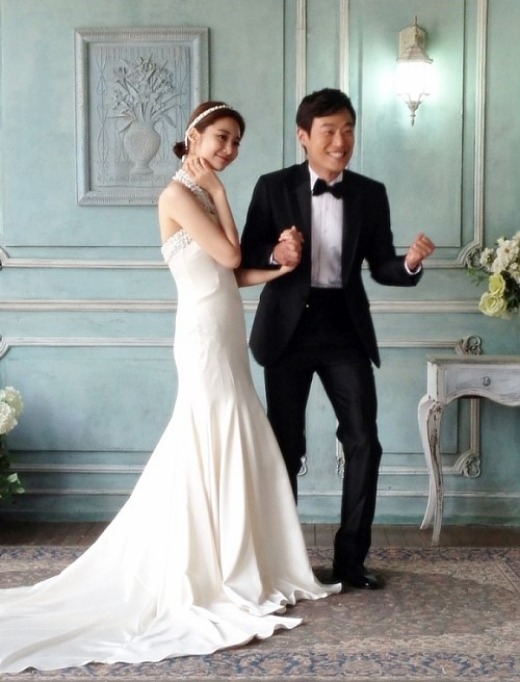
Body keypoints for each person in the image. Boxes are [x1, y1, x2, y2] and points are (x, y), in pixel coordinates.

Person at [0, 101, 339, 674]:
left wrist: (279, 269)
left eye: (236, 142)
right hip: (202, 332)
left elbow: (233, 273)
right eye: (221, 138)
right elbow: (230, 252)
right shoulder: (178, 195)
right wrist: (224, 195)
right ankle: (208, 564)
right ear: (194, 136)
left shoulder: (199, 195)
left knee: (231, 432)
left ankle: (235, 556)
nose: (229, 150)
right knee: (210, 432)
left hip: (223, 324)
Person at [240, 88, 436, 591]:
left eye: (348, 130)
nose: (340, 141)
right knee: (285, 446)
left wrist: (410, 263)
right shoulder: (273, 186)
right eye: (329, 130)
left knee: (364, 441)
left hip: (344, 329)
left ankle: (351, 561)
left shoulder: (370, 193)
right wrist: (277, 251)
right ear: (303, 136)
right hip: (288, 329)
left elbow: (383, 265)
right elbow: (246, 252)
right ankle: (285, 563)